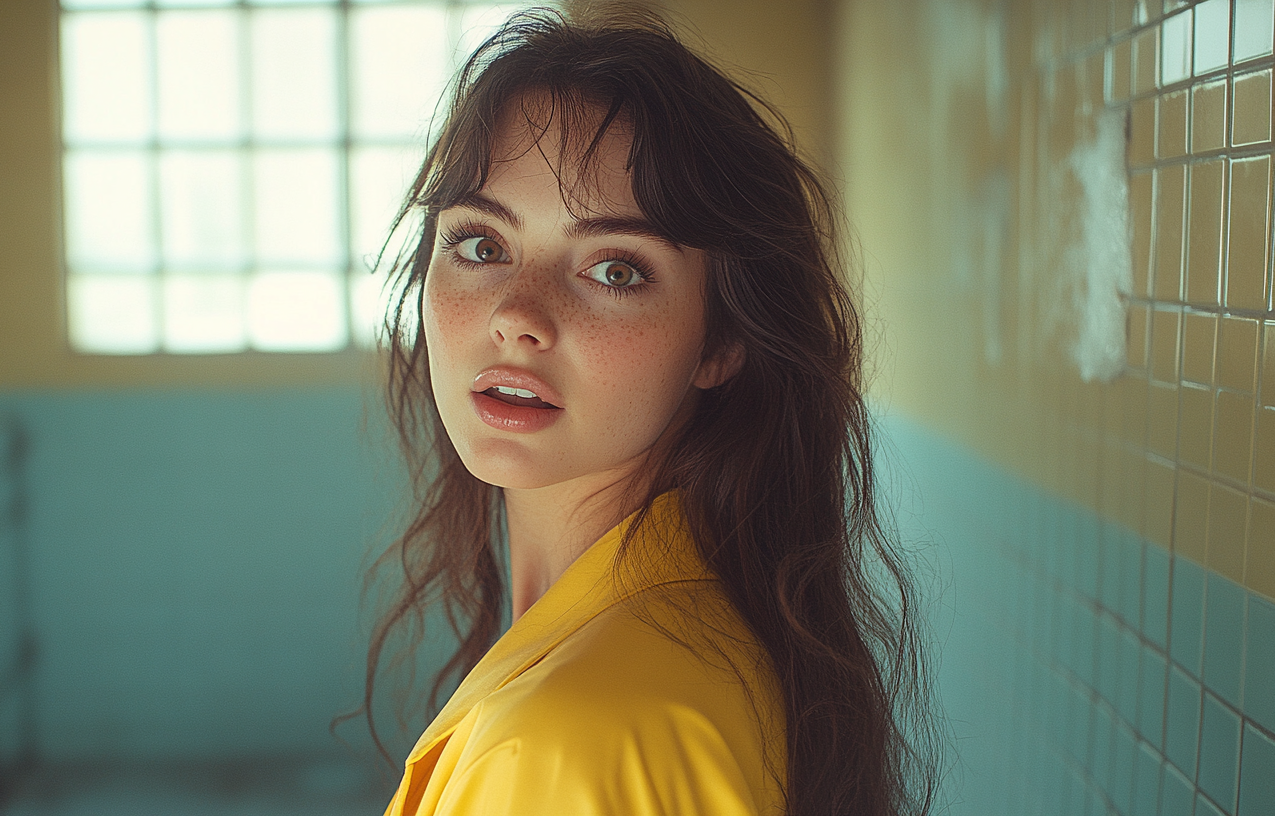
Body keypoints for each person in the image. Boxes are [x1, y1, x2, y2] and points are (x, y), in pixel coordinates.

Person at [353, 6, 938, 815]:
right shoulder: (697, 631)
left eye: (615, 269)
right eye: (483, 246)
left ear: (721, 341)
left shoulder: (572, 738)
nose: (517, 314)